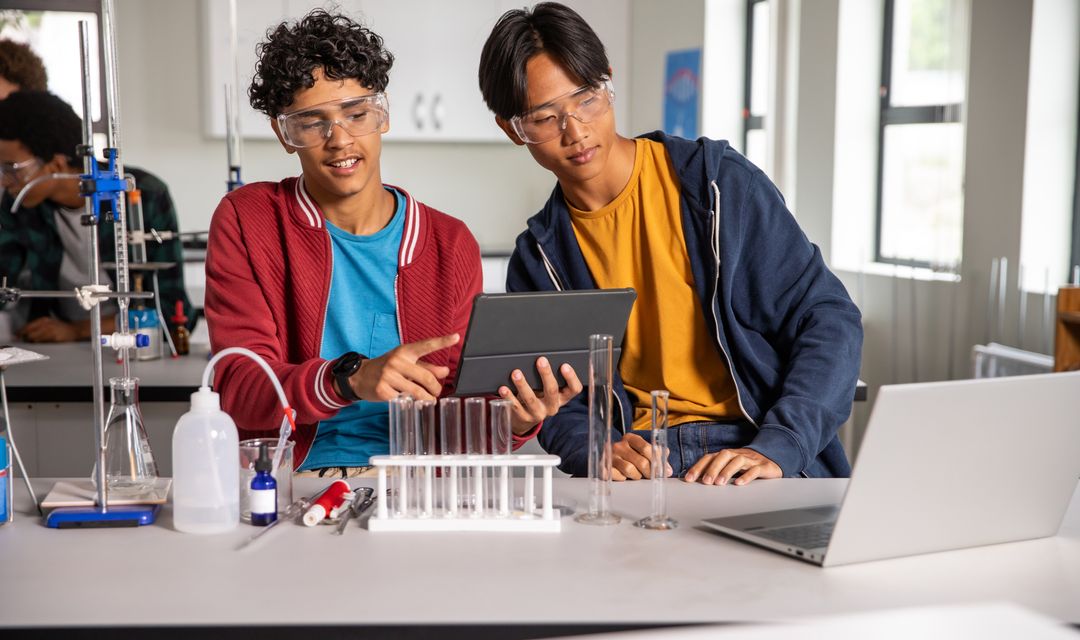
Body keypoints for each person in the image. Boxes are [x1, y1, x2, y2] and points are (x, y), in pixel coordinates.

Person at [478, 3, 863, 485]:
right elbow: (560, 403)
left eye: (586, 100)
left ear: (608, 81)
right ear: (511, 129)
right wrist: (594, 448)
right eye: (544, 117)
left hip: (752, 444)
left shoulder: (718, 187)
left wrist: (783, 443)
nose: (575, 131)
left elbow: (828, 319)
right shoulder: (538, 260)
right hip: (640, 465)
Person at [205, 10, 580, 476]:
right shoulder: (250, 220)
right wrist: (348, 380)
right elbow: (239, 386)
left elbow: (462, 422)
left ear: (382, 115)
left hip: (418, 484)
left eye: (356, 114)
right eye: (312, 122)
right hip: (287, 480)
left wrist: (517, 419)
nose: (339, 140)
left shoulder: (449, 243)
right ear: (285, 134)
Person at [0, 90, 191, 342]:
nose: (4, 181)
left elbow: (172, 307)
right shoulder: (21, 206)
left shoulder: (143, 195)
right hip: (56, 350)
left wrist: (76, 331)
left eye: (11, 169)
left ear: (56, 164)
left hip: (137, 347)